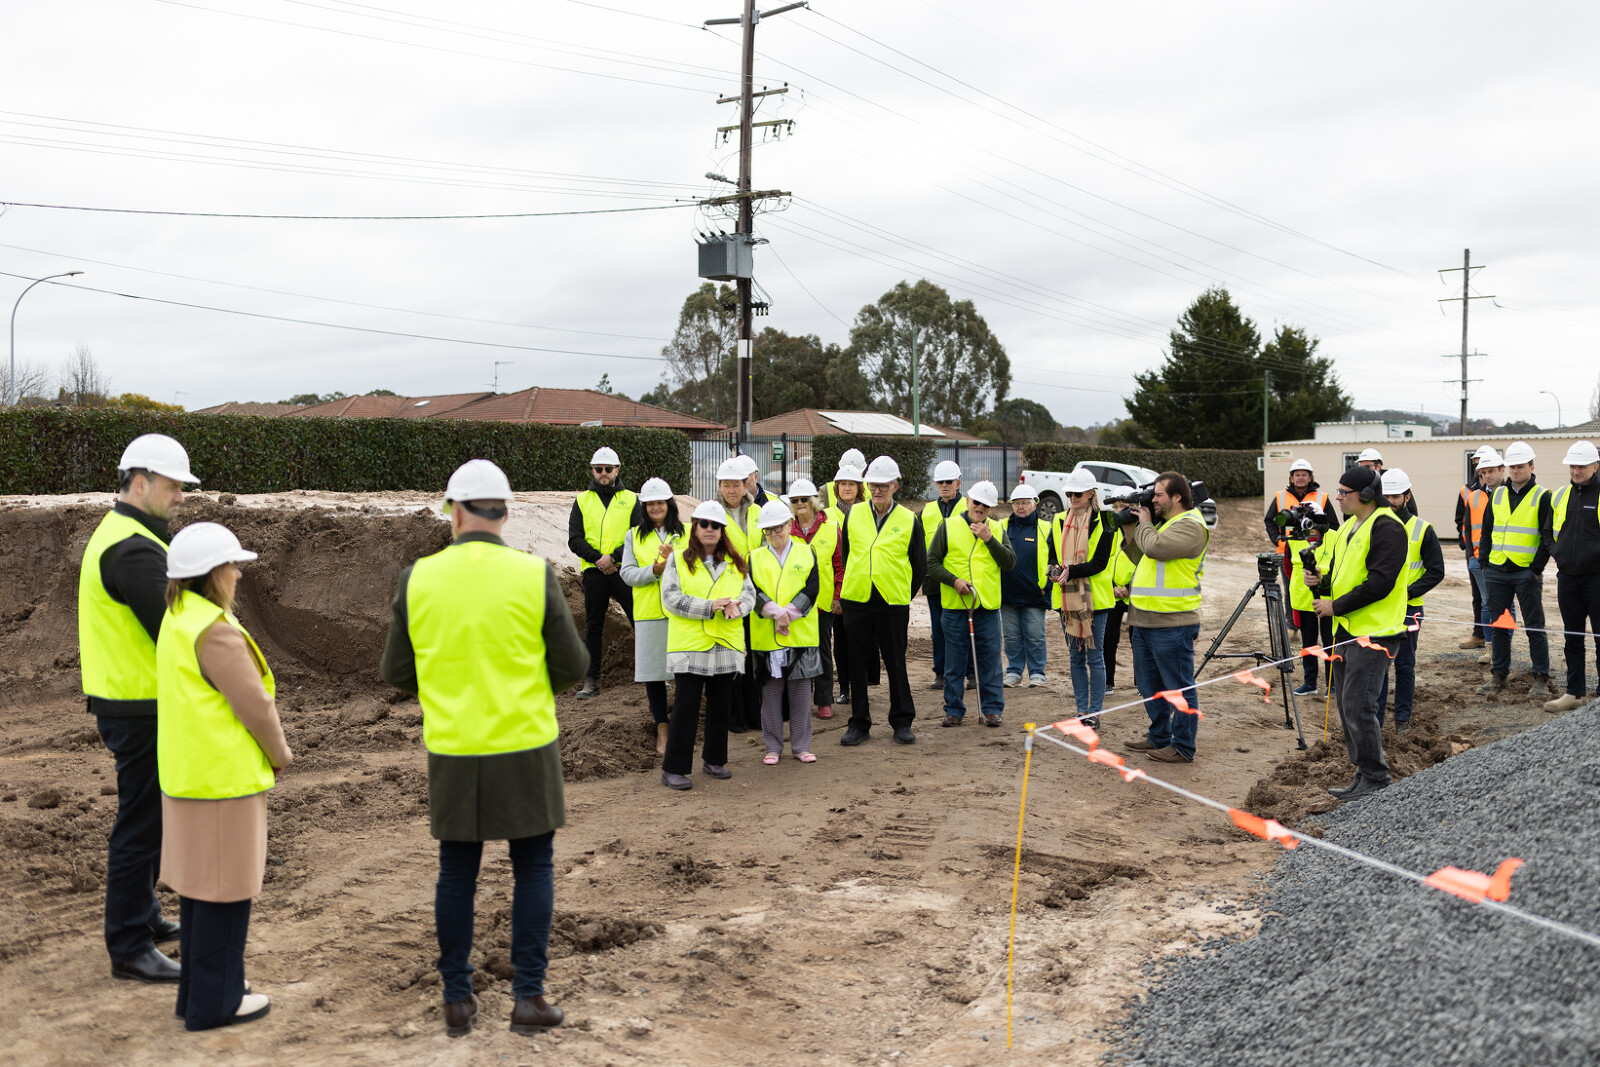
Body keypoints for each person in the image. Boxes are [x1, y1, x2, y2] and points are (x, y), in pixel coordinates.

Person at [382, 459, 587, 1038]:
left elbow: (396, 670)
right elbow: (573, 665)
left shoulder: (418, 578)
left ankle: (456, 997)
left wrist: (447, 691)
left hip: (454, 746)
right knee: (533, 868)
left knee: (456, 873)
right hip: (524, 742)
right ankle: (529, 998)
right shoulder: (532, 573)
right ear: (505, 512)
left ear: (454, 512)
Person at [157, 522, 290, 1030]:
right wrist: (280, 754)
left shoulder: (179, 618)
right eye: (232, 565)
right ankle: (217, 1003)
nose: (238, 573)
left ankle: (199, 992)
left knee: (200, 891)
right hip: (223, 780)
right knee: (226, 893)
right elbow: (255, 706)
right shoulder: (215, 629)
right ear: (213, 573)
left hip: (189, 775)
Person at [78, 433, 200, 984]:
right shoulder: (132, 548)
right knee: (141, 826)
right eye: (173, 486)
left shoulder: (123, 534)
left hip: (132, 701)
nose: (180, 497)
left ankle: (144, 918)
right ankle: (129, 945)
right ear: (142, 483)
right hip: (138, 707)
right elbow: (175, 632)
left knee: (149, 819)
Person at [1307, 466, 1408, 803]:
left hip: (1376, 631)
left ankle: (1376, 778)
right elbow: (1343, 577)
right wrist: (1321, 582)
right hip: (1349, 629)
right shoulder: (1349, 527)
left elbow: (1380, 582)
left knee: (1359, 706)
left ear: (1365, 495)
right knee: (1346, 704)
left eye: (1343, 492)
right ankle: (1364, 773)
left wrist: (1335, 606)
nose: (1337, 497)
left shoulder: (1388, 527)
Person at [659, 500, 756, 789]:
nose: (710, 529)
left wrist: (737, 607)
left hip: (726, 642)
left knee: (720, 706)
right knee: (686, 707)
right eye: (704, 524)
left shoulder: (736, 563)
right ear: (695, 528)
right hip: (690, 644)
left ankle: (715, 760)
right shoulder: (678, 560)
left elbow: (749, 596)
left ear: (722, 530)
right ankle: (674, 768)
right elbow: (671, 598)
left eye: (716, 525)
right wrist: (709, 606)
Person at [1121, 472, 1209, 764]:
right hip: (1144, 619)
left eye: (1159, 495)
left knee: (1178, 686)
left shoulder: (1192, 526)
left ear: (1177, 497)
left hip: (1173, 621)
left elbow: (1155, 548)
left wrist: (1145, 523)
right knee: (1149, 686)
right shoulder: (1164, 525)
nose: (1153, 500)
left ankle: (1183, 746)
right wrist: (1130, 527)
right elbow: (1139, 556)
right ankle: (1159, 736)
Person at [839, 456, 927, 746]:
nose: (877, 491)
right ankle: (859, 723)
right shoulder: (854, 514)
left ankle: (902, 721)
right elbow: (847, 554)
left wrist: (901, 593)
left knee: (896, 663)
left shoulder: (909, 519)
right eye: (873, 485)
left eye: (884, 486)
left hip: (892, 604)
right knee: (857, 665)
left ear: (895, 487)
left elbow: (919, 565)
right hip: (857, 600)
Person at [929, 479, 1014, 727]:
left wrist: (990, 540)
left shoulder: (996, 529)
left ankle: (992, 709)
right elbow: (931, 563)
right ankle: (953, 710)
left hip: (987, 608)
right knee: (954, 662)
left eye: (986, 505)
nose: (980, 508)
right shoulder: (948, 527)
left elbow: (1009, 562)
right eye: (977, 502)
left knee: (991, 662)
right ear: (968, 501)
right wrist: (953, 581)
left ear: (991, 508)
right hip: (955, 607)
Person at [1477, 441, 1555, 700]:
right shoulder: (1497, 494)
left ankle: (1541, 678)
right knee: (1500, 626)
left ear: (1531, 466)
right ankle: (1499, 675)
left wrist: (1536, 569)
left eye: (1520, 466)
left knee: (1534, 626)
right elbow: (1487, 530)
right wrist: (1485, 563)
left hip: (1525, 572)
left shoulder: (1543, 496)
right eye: (1512, 467)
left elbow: (1546, 536)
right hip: (1497, 570)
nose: (1516, 471)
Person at [750, 499, 822, 763]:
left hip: (799, 634)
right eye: (768, 530)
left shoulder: (807, 553)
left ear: (790, 525)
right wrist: (775, 614)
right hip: (767, 635)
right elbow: (752, 591)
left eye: (778, 528)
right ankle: (772, 747)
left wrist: (787, 615)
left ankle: (801, 746)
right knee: (770, 693)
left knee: (800, 693)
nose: (774, 534)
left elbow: (812, 589)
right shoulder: (753, 557)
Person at [619, 478, 686, 755]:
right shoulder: (634, 536)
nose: (655, 507)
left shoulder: (686, 533)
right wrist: (654, 571)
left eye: (660, 503)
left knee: (683, 672)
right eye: (650, 504)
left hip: (681, 613)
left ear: (669, 504)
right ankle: (662, 727)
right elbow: (627, 573)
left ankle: (681, 725)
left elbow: (699, 568)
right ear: (644, 508)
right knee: (654, 675)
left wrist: (674, 562)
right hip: (649, 612)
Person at [1375, 470, 1444, 733]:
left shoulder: (1422, 529)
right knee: (1379, 665)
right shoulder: (1372, 526)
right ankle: (1376, 719)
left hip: (1409, 609)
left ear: (1407, 496)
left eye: (1395, 496)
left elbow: (1436, 571)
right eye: (1386, 496)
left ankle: (1402, 719)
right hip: (1379, 609)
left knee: (1404, 664)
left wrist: (1408, 593)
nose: (1390, 501)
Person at [567, 447, 637, 699]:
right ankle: (591, 681)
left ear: (617, 470)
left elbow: (638, 535)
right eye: (599, 469)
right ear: (593, 470)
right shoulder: (582, 501)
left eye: (608, 469)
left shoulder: (631, 500)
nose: (603, 473)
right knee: (593, 626)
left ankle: (654, 674)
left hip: (623, 569)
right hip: (594, 571)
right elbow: (574, 539)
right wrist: (599, 559)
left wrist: (614, 558)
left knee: (640, 620)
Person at [1050, 469, 1117, 729]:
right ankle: (1081, 711)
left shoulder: (1106, 520)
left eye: (1077, 493)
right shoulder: (1058, 519)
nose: (1073, 498)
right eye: (1069, 494)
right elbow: (1051, 554)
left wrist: (1070, 571)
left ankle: (1094, 713)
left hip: (1095, 600)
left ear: (1091, 493)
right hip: (1067, 600)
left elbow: (1100, 562)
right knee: (1076, 656)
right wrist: (1053, 570)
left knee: (1095, 656)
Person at [1545, 440, 1600, 713]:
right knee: (1572, 637)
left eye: (1581, 466)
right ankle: (1575, 693)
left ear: (1595, 466)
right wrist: (1558, 552)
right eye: (1572, 466)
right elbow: (1547, 531)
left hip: (1597, 578)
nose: (1576, 471)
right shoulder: (1559, 496)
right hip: (1568, 577)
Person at [711, 456, 763, 730]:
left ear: (746, 485)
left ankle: (754, 713)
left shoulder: (758, 513)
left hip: (756, 590)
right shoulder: (711, 515)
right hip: (727, 593)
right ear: (719, 486)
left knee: (753, 653)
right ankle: (735, 716)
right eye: (726, 485)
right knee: (731, 652)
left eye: (736, 484)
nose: (732, 490)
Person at [786, 479, 842, 720]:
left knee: (822, 651)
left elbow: (840, 565)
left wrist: (837, 597)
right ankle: (798, 701)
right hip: (795, 603)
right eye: (795, 500)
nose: (800, 503)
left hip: (822, 603)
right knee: (795, 651)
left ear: (813, 501)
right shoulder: (786, 529)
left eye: (804, 499)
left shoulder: (831, 528)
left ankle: (824, 700)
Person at [919, 460, 974, 692]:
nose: (944, 485)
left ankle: (971, 674)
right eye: (940, 482)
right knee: (939, 629)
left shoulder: (969, 507)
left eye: (948, 481)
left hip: (961, 579)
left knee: (966, 627)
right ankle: (941, 674)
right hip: (934, 580)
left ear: (958, 483)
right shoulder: (926, 512)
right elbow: (918, 546)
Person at [824, 463, 874, 706]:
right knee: (841, 641)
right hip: (839, 589)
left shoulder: (869, 513)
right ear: (836, 488)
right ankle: (844, 687)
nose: (846, 488)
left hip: (864, 587)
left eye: (851, 484)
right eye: (842, 484)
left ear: (859, 488)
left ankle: (861, 685)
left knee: (862, 641)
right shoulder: (827, 516)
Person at [998, 484, 1049, 688]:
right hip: (1007, 594)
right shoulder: (1001, 526)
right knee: (1011, 637)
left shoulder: (1046, 529)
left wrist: (1046, 586)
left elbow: (1054, 558)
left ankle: (1037, 673)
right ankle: (1014, 672)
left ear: (1035, 505)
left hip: (1035, 595)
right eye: (1017, 503)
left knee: (1035, 637)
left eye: (1025, 503)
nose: (1021, 507)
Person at [1465, 449, 1512, 663]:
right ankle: (1491, 648)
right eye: (1482, 473)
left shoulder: (1510, 495)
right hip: (1479, 559)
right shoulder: (1473, 497)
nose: (1486, 476)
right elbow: (1468, 528)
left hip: (1504, 559)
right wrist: (1471, 557)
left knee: (1506, 605)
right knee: (1486, 603)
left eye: (1490, 471)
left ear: (1502, 470)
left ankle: (1504, 648)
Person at [1455, 446, 1496, 650]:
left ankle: (1496, 639)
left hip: (1494, 553)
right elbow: (1461, 519)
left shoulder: (1500, 490)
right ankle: (1479, 634)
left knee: (1495, 598)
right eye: (1478, 463)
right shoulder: (1467, 490)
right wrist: (1467, 546)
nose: (1481, 467)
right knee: (1478, 596)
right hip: (1474, 553)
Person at [1105, 519, 1136, 694]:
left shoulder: (1144, 533)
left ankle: (1142, 683)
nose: (1120, 510)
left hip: (1136, 595)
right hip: (1112, 594)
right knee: (1108, 640)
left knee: (1138, 641)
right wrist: (1111, 586)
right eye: (1116, 507)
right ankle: (1107, 682)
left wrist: (1130, 587)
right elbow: (1102, 560)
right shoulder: (1110, 532)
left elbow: (1147, 564)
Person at [1356, 448, 1416, 517]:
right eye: (1361, 468)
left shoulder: (1393, 479)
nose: (1363, 471)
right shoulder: (1360, 484)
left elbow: (1411, 509)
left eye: (1367, 467)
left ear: (1378, 466)